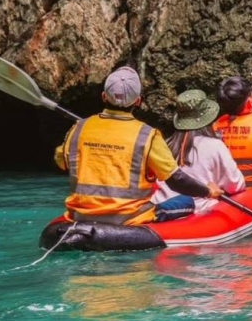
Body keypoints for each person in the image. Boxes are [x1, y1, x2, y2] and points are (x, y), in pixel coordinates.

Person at [55, 66, 223, 226]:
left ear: (104, 97)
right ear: (138, 101)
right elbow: (176, 180)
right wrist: (207, 191)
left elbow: (61, 161)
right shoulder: (148, 135)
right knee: (186, 201)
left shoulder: (79, 128)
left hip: (80, 215)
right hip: (129, 219)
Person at [152, 90, 247, 221]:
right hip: (194, 212)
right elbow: (236, 185)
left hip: (162, 207)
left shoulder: (166, 144)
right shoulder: (215, 145)